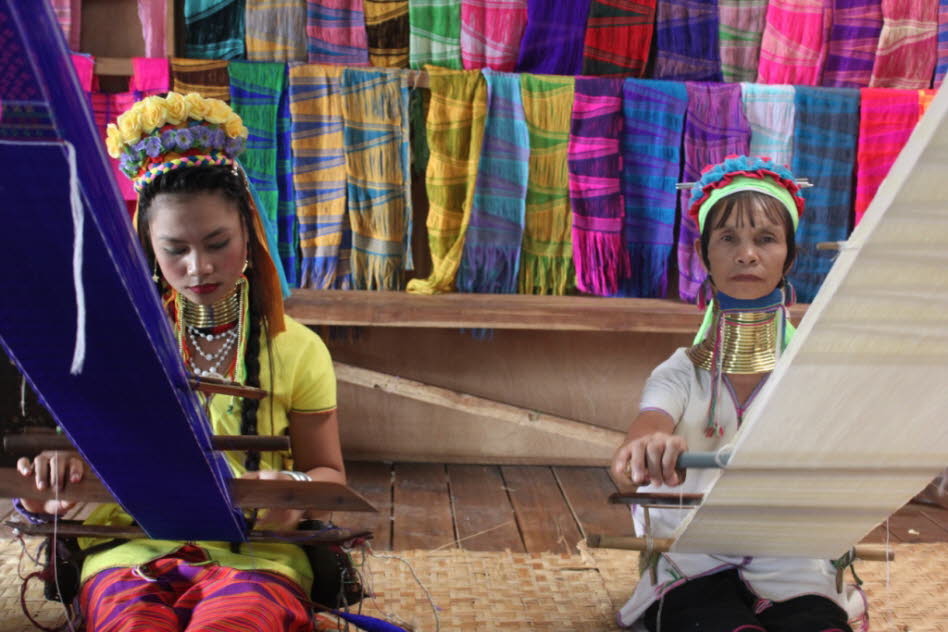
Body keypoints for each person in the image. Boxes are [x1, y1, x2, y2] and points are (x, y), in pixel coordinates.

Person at [15, 92, 345, 632]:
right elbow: (76, 464)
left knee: (234, 623)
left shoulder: (297, 349)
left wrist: (294, 492)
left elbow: (329, 474)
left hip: (258, 555)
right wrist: (57, 483)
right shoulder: (112, 347)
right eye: (176, 249)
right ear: (148, 245)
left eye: (217, 242)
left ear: (249, 233)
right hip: (127, 550)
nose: (199, 267)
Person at [610, 156, 866, 632]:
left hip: (787, 546)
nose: (746, 254)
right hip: (692, 548)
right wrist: (645, 449)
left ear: (789, 256)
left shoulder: (813, 374)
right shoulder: (681, 371)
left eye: (765, 239)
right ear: (705, 255)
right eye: (728, 238)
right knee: (708, 620)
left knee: (815, 623)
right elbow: (639, 442)